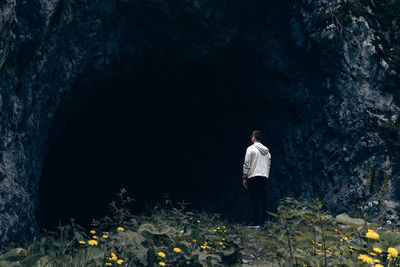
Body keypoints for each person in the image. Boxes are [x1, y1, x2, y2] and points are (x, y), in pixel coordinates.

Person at [242, 130, 271, 228]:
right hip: (264, 177)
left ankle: (255, 221)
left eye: (252, 136)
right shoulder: (267, 151)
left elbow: (247, 163)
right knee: (263, 199)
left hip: (253, 176)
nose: (251, 137)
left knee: (254, 199)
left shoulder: (250, 149)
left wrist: (244, 176)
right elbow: (269, 164)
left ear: (254, 137)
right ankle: (264, 222)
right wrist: (266, 174)